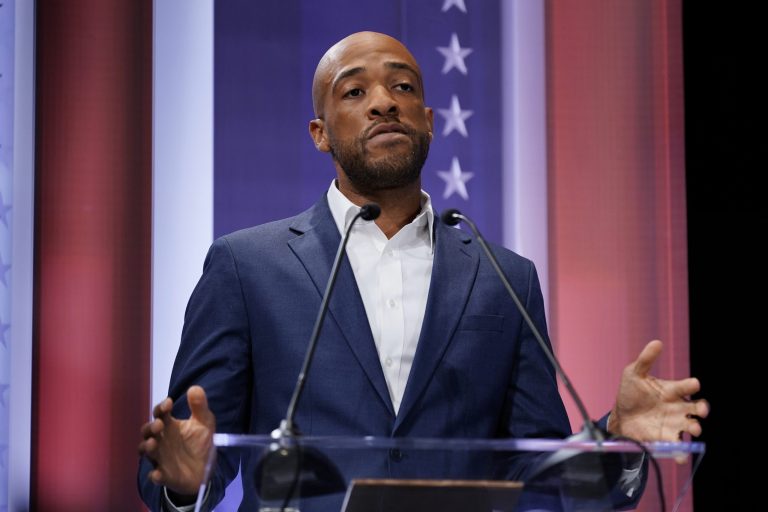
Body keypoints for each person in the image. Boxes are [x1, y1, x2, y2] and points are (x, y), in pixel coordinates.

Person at [138, 31, 708, 511]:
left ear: (429, 121)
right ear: (320, 134)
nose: (384, 102)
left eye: (403, 87)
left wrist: (616, 440)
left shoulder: (505, 277)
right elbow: (190, 452)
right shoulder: (245, 266)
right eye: (355, 90)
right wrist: (186, 482)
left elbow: (543, 473)